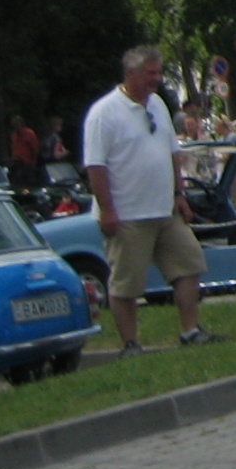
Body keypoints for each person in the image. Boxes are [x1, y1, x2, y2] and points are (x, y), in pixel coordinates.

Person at [83, 45, 219, 353]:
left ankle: (190, 331)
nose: (156, 79)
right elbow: (95, 167)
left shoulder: (157, 104)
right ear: (130, 73)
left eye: (158, 73)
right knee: (126, 285)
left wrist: (179, 194)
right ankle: (131, 344)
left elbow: (172, 153)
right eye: (150, 73)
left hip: (165, 209)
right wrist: (107, 209)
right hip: (127, 215)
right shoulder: (104, 113)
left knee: (189, 265)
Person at [7, 115, 41, 193]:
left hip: (27, 163)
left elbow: (35, 149)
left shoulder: (29, 133)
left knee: (28, 184)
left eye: (16, 125)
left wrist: (34, 163)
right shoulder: (14, 135)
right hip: (16, 163)